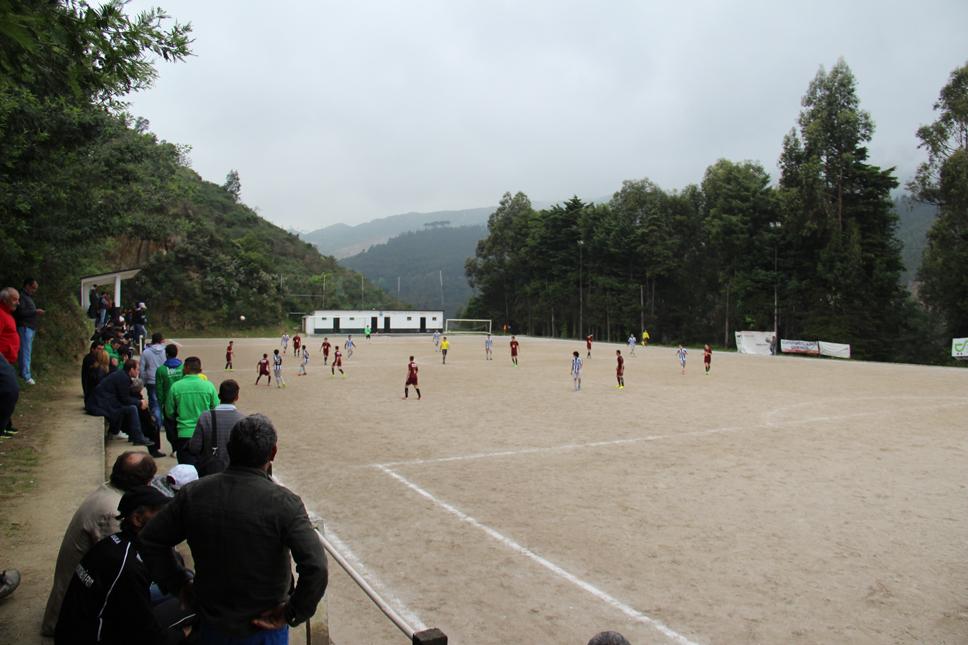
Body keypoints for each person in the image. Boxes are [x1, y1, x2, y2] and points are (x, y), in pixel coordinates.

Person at [140, 414, 328, 643]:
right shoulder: (284, 503)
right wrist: (292, 612)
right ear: (273, 453)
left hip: (211, 617)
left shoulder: (194, 493)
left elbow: (150, 539)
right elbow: (316, 566)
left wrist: (178, 583)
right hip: (263, 624)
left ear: (229, 449)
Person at [54, 486, 193, 645]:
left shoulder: (114, 544)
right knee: (198, 614)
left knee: (191, 598)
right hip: (98, 635)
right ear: (137, 519)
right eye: (161, 514)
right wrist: (183, 634)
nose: (167, 520)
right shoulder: (128, 567)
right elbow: (146, 635)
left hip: (82, 628)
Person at [42, 452, 157, 635]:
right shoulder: (114, 511)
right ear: (144, 482)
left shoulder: (108, 491)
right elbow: (122, 570)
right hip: (80, 615)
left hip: (81, 599)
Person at [91, 358, 156, 448]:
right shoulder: (123, 378)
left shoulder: (122, 375)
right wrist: (139, 402)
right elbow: (125, 399)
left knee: (130, 407)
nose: (138, 372)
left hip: (103, 401)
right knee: (132, 408)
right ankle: (137, 437)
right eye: (137, 369)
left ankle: (132, 435)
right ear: (131, 369)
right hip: (101, 404)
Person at [166, 356, 218, 463]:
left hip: (184, 432)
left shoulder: (175, 387)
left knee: (186, 469)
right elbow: (216, 408)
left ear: (186, 368)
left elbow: (169, 412)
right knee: (203, 468)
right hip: (204, 432)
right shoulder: (208, 386)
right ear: (200, 370)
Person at [187, 379, 244, 477]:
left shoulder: (205, 417)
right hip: (234, 473)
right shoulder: (243, 420)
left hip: (210, 473)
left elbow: (194, 448)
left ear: (219, 396)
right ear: (237, 397)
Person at [156, 344, 185, 450]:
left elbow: (159, 389)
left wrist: (160, 403)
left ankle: (175, 447)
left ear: (166, 354)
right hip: (182, 401)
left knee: (170, 427)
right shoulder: (183, 367)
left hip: (169, 403)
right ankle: (180, 445)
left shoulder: (161, 370)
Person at [15, 278, 44, 384]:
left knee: (27, 351)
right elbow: (20, 312)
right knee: (25, 351)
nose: (34, 290)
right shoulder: (22, 297)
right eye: (33, 288)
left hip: (30, 327)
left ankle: (24, 373)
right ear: (27, 286)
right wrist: (35, 312)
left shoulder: (28, 297)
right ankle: (26, 375)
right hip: (25, 327)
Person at [0, 287, 20, 438]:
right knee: (10, 390)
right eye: (15, 299)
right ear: (5, 300)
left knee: (5, 392)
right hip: (2, 360)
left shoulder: (8, 314)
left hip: (7, 360)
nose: (18, 303)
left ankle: (6, 425)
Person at [131, 378, 166, 458]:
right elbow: (145, 415)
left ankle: (155, 450)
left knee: (154, 426)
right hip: (144, 424)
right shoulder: (139, 400)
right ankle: (154, 450)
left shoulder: (136, 397)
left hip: (143, 422)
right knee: (154, 428)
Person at [141, 332, 168, 431]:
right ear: (161, 340)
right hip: (164, 379)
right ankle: (165, 420)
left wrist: (143, 381)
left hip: (151, 379)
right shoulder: (165, 351)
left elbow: (142, 368)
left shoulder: (146, 352)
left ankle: (158, 422)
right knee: (165, 400)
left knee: (154, 402)